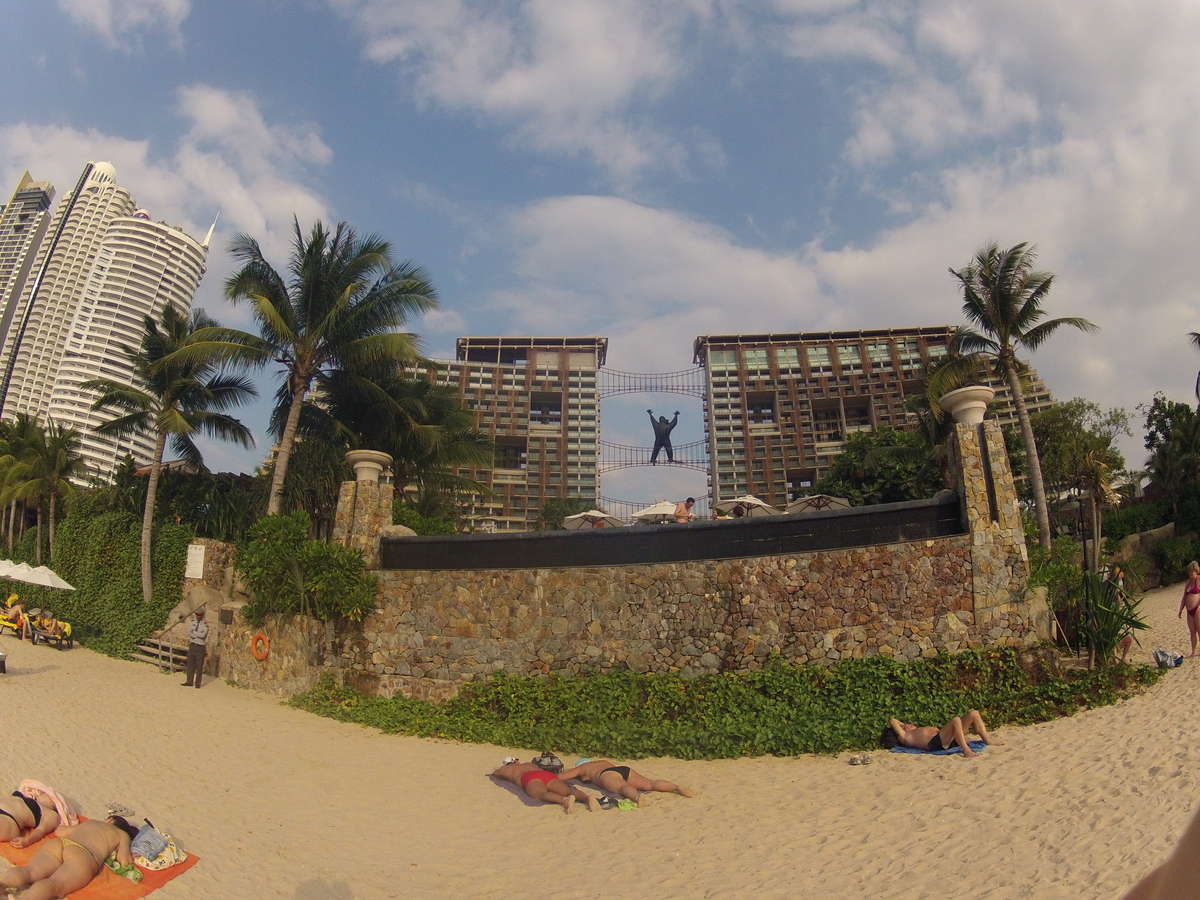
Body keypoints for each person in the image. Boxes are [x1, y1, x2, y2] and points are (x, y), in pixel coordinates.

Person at [0, 816, 137, 900]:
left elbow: (60, 831)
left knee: (29, 871)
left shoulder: (91, 822)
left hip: (60, 844)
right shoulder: (122, 835)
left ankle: (3, 884)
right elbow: (124, 860)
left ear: (109, 820)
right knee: (55, 884)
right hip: (84, 855)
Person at [556, 758, 693, 807]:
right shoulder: (603, 761)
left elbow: (562, 777)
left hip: (606, 775)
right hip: (622, 769)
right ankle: (676, 787)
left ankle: (637, 797)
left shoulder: (582, 768)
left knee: (623, 787)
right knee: (650, 783)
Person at [490, 758, 598, 814]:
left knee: (540, 794)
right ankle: (587, 798)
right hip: (546, 774)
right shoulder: (529, 764)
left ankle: (564, 800)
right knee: (567, 790)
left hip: (529, 777)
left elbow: (496, 773)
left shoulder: (506, 769)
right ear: (517, 761)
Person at [884, 710, 1003, 758]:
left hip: (947, 739)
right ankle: (966, 751)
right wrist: (903, 726)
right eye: (907, 725)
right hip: (936, 743)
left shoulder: (915, 730)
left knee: (974, 714)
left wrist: (906, 726)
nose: (911, 723)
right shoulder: (906, 736)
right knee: (956, 720)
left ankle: (987, 740)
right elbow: (892, 720)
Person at [183, 607, 209, 688]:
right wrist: (196, 634)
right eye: (197, 615)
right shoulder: (192, 623)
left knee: (199, 665)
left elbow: (202, 635)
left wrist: (194, 633)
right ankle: (189, 681)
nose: (198, 617)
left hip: (200, 646)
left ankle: (198, 683)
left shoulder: (205, 625)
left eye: (199, 615)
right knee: (190, 664)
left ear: (202, 616)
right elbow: (188, 633)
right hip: (193, 645)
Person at [1179, 560, 1200, 657]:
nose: (1190, 573)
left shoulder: (1198, 580)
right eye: (1189, 572)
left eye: (1192, 571)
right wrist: (1181, 609)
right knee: (1192, 632)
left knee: (1199, 630)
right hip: (1189, 611)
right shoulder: (1188, 582)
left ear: (1196, 571)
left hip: (1197, 609)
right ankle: (1194, 651)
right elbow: (1184, 596)